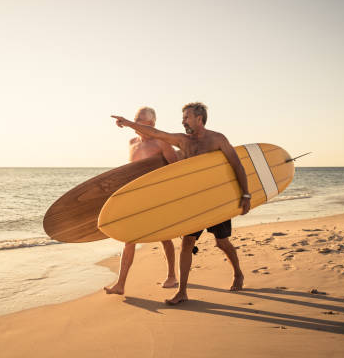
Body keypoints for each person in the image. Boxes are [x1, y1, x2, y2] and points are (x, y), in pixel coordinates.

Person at [111, 102, 250, 305]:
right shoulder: (182, 141)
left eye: (186, 117)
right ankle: (182, 291)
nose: (183, 121)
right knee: (187, 244)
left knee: (221, 242)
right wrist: (129, 124)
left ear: (199, 119)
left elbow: (236, 164)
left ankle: (238, 273)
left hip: (215, 200)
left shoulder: (217, 139)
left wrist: (245, 195)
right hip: (194, 202)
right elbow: (156, 132)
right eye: (183, 117)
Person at [104, 107, 179, 295]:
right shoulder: (132, 142)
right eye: (135, 120)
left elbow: (176, 169)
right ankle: (120, 284)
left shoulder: (161, 143)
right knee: (130, 239)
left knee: (165, 237)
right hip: (136, 198)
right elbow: (130, 172)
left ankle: (172, 275)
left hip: (157, 197)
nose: (135, 124)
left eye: (140, 121)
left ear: (152, 124)